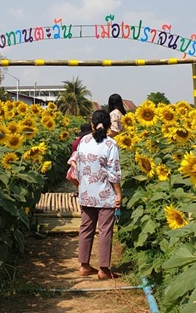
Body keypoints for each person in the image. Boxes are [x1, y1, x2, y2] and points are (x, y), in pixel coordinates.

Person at [70, 109, 122, 280]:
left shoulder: (83, 141)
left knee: (86, 228)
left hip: (86, 192)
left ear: (92, 124)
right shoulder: (110, 144)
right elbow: (113, 172)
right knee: (105, 230)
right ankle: (104, 270)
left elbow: (75, 164)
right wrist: (118, 194)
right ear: (108, 125)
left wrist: (81, 185)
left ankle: (84, 266)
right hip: (105, 193)